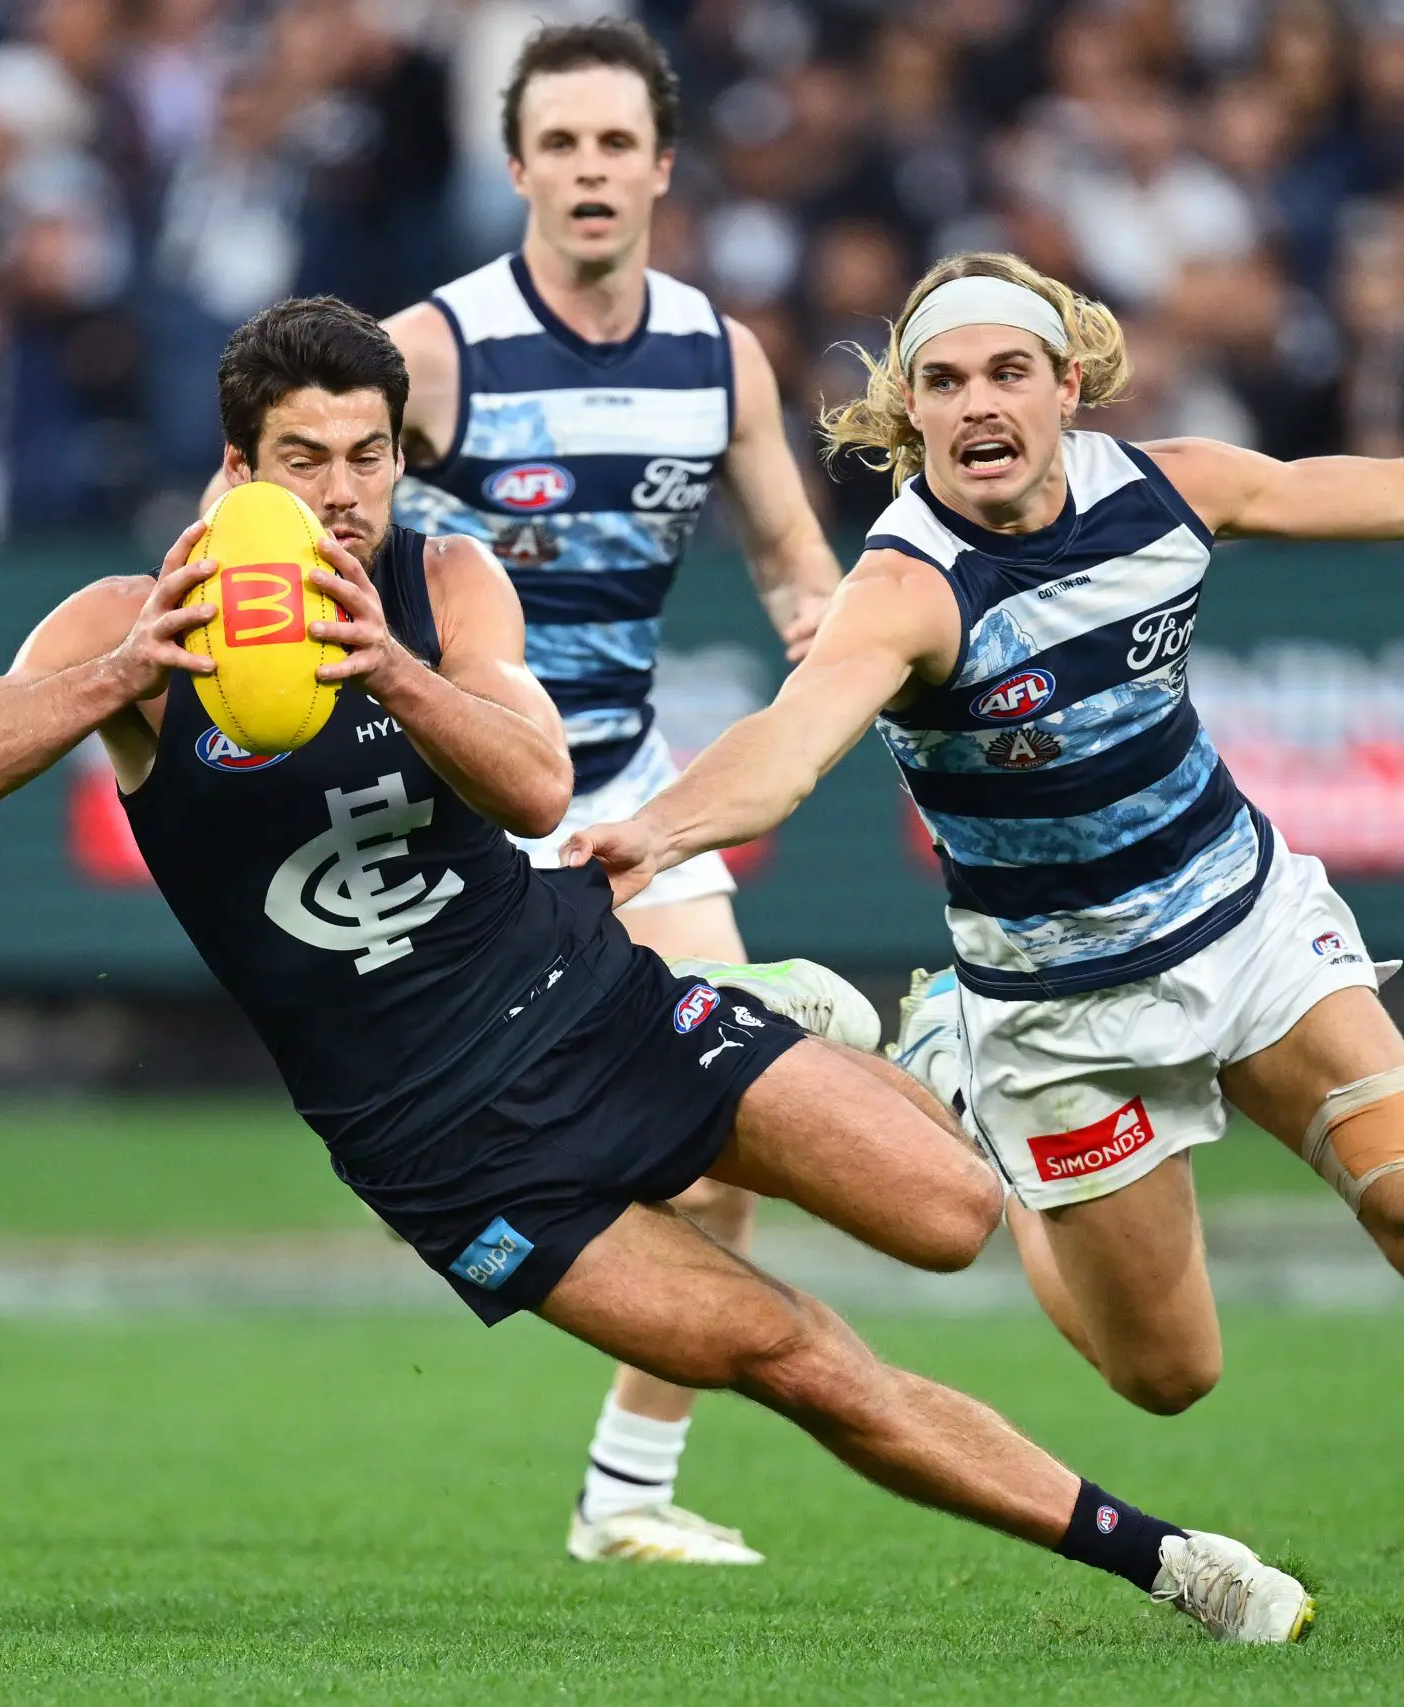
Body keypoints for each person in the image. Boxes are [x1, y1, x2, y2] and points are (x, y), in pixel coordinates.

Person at [0, 295, 1315, 1645]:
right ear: (237, 468)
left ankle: (914, 1048)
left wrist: (390, 667)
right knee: (793, 1358)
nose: (342, 493)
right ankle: (1173, 1562)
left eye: (368, 456)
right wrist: (121, 671)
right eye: (304, 460)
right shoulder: (121, 625)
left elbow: (534, 782)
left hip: (592, 997)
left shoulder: (438, 580)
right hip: (443, 1143)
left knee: (953, 1216)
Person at [564, 253, 1404, 1629]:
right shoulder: (907, 586)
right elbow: (781, 753)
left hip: (1245, 924)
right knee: (1169, 1374)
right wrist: (649, 834)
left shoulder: (1168, 488)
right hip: (1060, 1009)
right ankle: (970, 1090)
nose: (977, 405)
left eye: (1009, 371)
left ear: (1070, 388)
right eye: (943, 383)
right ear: (912, 414)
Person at [200, 20, 844, 1563]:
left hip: (623, 774)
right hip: (469, 785)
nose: (590, 170)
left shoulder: (720, 353)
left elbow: (788, 559)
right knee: (705, 1090)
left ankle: (626, 1497)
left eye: (616, 143)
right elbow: (253, 511)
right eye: (560, 144)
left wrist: (829, 635)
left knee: (732, 1147)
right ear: (517, 168)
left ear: (662, 164)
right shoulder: (437, 348)